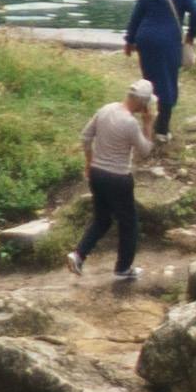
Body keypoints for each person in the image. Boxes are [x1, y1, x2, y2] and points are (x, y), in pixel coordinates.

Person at [74, 86, 155, 281]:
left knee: (102, 219)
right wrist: (148, 124)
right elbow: (145, 150)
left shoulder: (106, 109)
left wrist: (88, 161)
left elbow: (85, 137)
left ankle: (78, 255)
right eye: (147, 103)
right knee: (129, 224)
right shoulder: (130, 123)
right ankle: (123, 268)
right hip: (118, 177)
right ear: (141, 102)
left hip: (96, 173)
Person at [126, 0, 195, 134]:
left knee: (149, 80)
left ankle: (148, 122)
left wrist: (129, 40)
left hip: (146, 40)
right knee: (168, 81)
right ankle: (162, 128)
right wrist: (191, 35)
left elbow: (137, 15)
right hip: (168, 42)